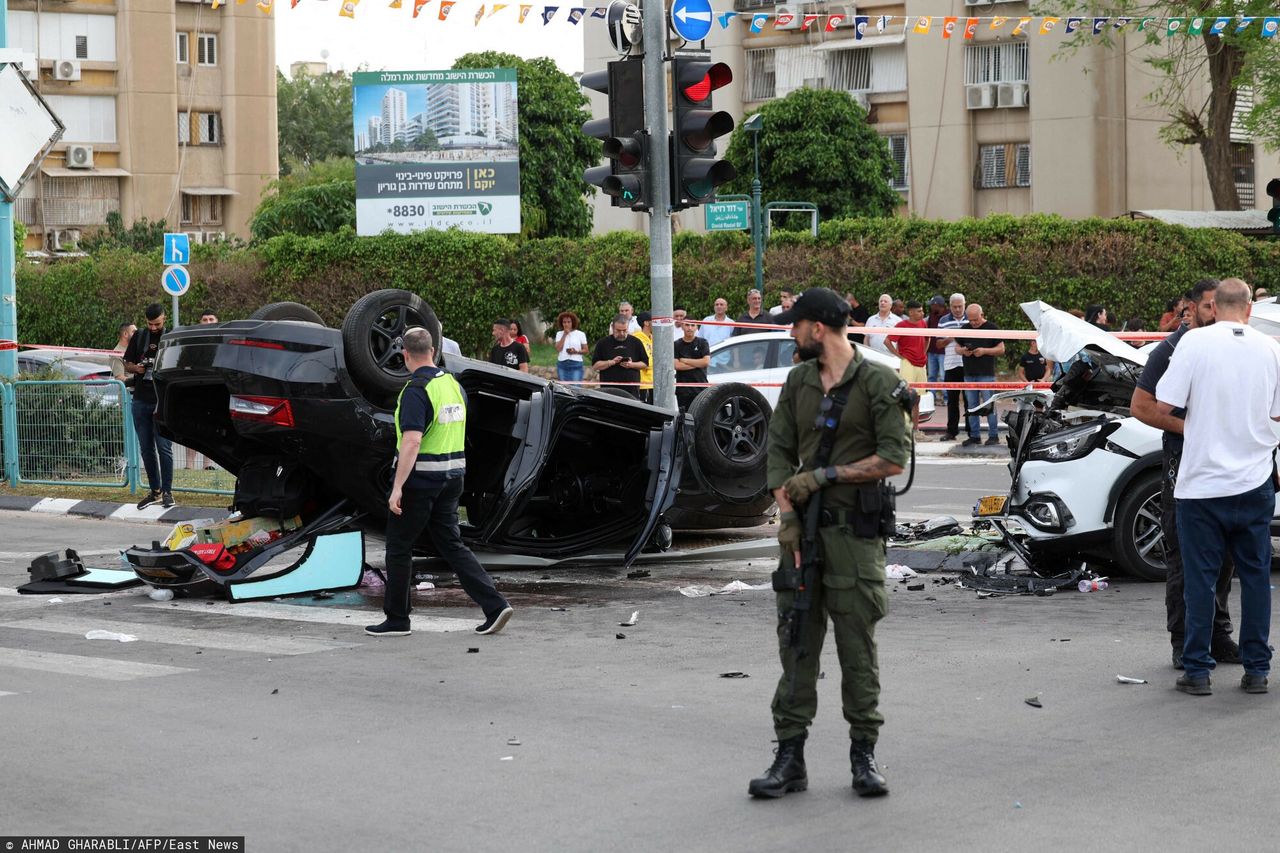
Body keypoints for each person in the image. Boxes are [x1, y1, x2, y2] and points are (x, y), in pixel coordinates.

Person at [749, 287, 908, 800]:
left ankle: (864, 754)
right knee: (796, 640)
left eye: (796, 325)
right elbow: (776, 452)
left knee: (856, 646)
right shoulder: (797, 382)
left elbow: (892, 458)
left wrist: (823, 476)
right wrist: (789, 517)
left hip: (855, 537)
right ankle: (789, 756)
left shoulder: (880, 379)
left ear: (818, 328)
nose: (791, 333)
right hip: (803, 531)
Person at [1153, 278, 1279, 695]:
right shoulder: (1271, 349)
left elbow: (1163, 404)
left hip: (1201, 485)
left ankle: (1197, 671)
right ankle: (1257, 670)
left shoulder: (1193, 344)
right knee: (1256, 577)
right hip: (1253, 482)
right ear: (1248, 308)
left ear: (1215, 306)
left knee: (1200, 579)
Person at [367, 327, 513, 638]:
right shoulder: (451, 384)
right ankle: (495, 605)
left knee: (398, 548)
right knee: (451, 544)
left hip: (421, 481)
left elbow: (411, 441)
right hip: (453, 477)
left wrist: (397, 488)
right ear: (433, 350)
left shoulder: (415, 391)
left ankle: (397, 620)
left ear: (405, 354)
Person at [1130, 279, 1239, 671]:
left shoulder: (1231, 347)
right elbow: (1141, 407)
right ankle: (1183, 639)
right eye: (1210, 307)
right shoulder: (1171, 350)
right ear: (1191, 310)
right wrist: (1191, 428)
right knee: (1183, 557)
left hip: (1226, 469)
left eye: (1219, 306)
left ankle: (1219, 634)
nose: (1217, 314)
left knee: (1226, 556)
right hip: (1183, 466)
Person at [121, 304, 174, 509]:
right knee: (146, 448)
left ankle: (168, 492)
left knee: (164, 447)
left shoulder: (170, 337)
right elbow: (127, 362)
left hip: (162, 400)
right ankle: (155, 491)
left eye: (157, 324)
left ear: (164, 319)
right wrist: (136, 368)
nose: (153, 328)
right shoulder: (140, 336)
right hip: (141, 399)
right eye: (150, 324)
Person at [957, 303, 1003, 446]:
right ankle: (974, 435)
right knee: (972, 406)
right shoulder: (964, 329)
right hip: (969, 373)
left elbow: (1001, 349)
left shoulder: (992, 328)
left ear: (982, 315)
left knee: (989, 405)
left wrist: (984, 351)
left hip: (986, 373)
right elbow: (956, 347)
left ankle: (993, 435)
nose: (973, 323)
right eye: (970, 320)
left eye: (975, 320)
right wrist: (964, 351)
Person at [885, 300, 927, 433]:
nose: (922, 313)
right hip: (908, 363)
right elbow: (887, 341)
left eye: (922, 310)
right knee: (907, 396)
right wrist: (900, 356)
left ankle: (916, 430)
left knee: (918, 398)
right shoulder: (902, 325)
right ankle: (904, 429)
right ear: (911, 312)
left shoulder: (923, 323)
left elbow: (928, 338)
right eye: (919, 311)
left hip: (921, 363)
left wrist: (923, 352)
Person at [591, 315, 648, 397]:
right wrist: (612, 362)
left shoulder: (636, 342)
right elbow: (595, 366)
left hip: (631, 390)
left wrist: (631, 365)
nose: (621, 333)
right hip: (609, 390)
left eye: (625, 330)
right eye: (618, 330)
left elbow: (645, 364)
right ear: (612, 327)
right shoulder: (603, 343)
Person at [936, 293, 967, 440]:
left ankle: (971, 431)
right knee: (952, 401)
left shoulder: (972, 319)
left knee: (970, 400)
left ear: (964, 305)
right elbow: (938, 344)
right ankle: (951, 431)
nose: (958, 309)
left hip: (968, 365)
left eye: (960, 306)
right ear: (950, 306)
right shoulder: (943, 321)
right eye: (954, 306)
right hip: (950, 365)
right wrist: (951, 337)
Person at [673, 319, 710, 411]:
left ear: (697, 327)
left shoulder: (702, 342)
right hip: (683, 390)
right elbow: (677, 366)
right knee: (684, 418)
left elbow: (706, 362)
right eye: (687, 325)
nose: (690, 328)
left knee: (701, 416)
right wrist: (698, 363)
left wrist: (685, 360)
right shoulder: (676, 344)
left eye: (693, 325)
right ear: (682, 326)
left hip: (700, 387)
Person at [553, 311, 588, 382]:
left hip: (576, 363)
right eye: (564, 322)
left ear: (573, 323)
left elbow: (586, 350)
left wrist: (576, 351)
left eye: (569, 322)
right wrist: (564, 334)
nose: (566, 324)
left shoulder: (580, 334)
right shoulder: (559, 334)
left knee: (576, 388)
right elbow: (558, 348)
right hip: (562, 363)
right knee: (563, 389)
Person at [925, 296, 947, 405]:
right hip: (932, 351)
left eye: (932, 305)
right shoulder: (931, 316)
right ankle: (931, 398)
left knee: (943, 376)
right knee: (931, 376)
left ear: (938, 305)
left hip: (943, 352)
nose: (931, 307)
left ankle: (946, 398)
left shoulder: (947, 316)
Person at [634, 312, 655, 403]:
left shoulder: (653, 338)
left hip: (654, 382)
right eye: (654, 321)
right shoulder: (636, 339)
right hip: (644, 383)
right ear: (646, 323)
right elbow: (646, 361)